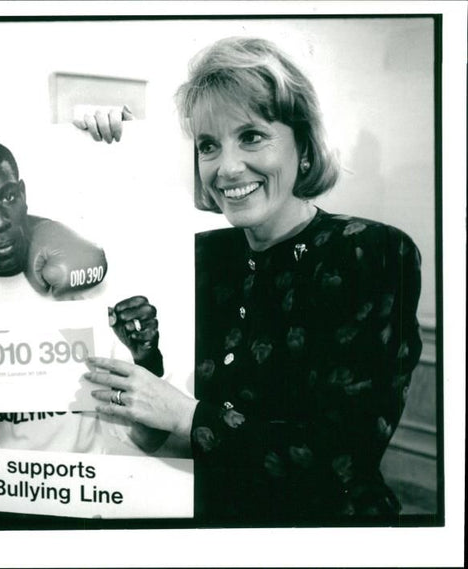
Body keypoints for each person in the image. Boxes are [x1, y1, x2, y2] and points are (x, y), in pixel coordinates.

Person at [81, 37, 423, 522]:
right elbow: (164, 409)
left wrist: (185, 414)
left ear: (302, 145)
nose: (227, 167)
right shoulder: (201, 255)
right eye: (208, 145)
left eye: (252, 136)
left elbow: (343, 456)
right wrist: (96, 150)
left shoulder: (370, 253)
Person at [0, 138, 170, 456]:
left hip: (84, 498)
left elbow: (144, 440)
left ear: (22, 195)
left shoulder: (76, 288)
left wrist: (147, 362)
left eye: (7, 197)